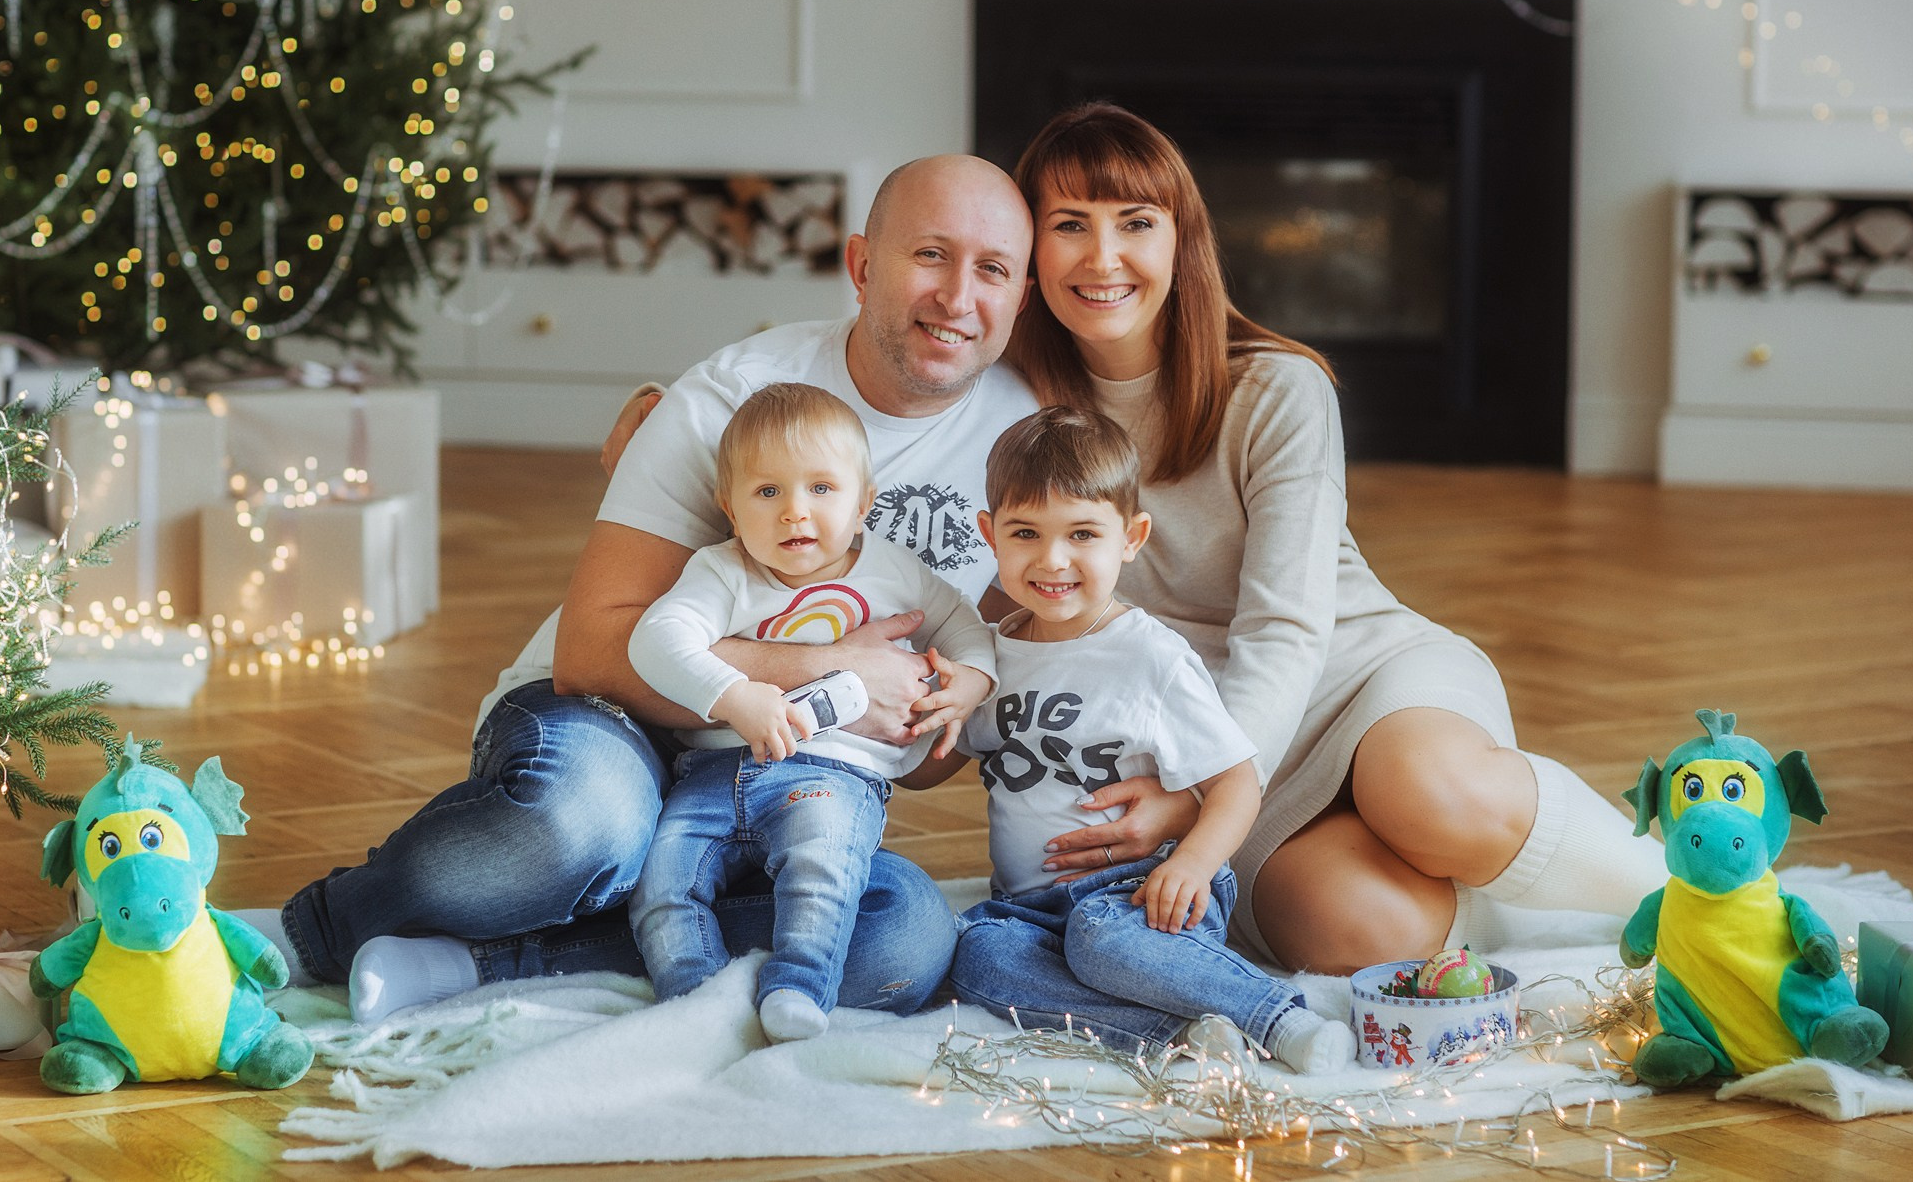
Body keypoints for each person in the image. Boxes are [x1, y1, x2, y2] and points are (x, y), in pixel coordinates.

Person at [236, 154, 1039, 1022]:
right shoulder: (733, 399)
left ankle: (480, 959)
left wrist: (942, 700)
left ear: (1022, 294)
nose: (958, 297)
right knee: (584, 827)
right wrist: (827, 668)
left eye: (992, 269)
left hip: (789, 774)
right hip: (617, 719)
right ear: (862, 265)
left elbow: (925, 759)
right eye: (931, 255)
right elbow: (590, 652)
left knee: (903, 937)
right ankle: (314, 930)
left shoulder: (1024, 440)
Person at [998, 102, 1668, 975]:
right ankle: (1493, 896)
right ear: (1030, 248)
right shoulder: (1011, 411)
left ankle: (1697, 895)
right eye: (1069, 225)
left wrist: (1199, 797)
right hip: (1196, 740)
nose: (1102, 256)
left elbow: (1285, 627)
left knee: (1430, 793)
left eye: (1135, 222)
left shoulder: (1277, 388)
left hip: (1355, 675)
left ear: (1181, 240)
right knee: (1363, 934)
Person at [919, 406, 1354, 1069]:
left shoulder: (1151, 657)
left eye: (1083, 533)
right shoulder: (990, 656)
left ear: (1131, 536)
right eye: (1025, 532)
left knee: (1101, 940)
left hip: (1137, 890)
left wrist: (1194, 864)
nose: (1053, 559)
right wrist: (932, 698)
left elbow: (1236, 782)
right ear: (989, 536)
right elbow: (934, 759)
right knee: (979, 957)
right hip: (1027, 908)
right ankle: (1177, 1030)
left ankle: (1277, 1016)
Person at [627, 383, 996, 1041]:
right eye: (768, 491)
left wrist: (970, 679)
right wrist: (734, 695)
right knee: (663, 880)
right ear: (730, 507)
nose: (795, 511)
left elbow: (965, 626)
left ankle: (798, 987)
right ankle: (692, 995)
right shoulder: (721, 571)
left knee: (821, 870)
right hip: (713, 773)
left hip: (833, 774)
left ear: (863, 503)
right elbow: (655, 639)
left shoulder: (894, 570)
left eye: (821, 488)